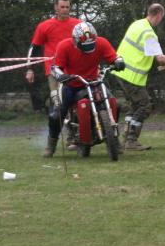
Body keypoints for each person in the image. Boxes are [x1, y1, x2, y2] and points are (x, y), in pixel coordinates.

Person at [113, 3, 165, 151]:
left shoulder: (137, 24)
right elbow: (159, 57)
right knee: (145, 105)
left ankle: (127, 137)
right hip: (131, 76)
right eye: (162, 17)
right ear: (159, 14)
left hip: (121, 72)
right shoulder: (148, 33)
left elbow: (145, 52)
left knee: (135, 105)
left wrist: (163, 63)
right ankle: (131, 140)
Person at [44, 23, 122, 157]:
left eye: (91, 44)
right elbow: (55, 68)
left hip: (94, 82)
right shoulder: (64, 46)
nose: (89, 48)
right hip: (72, 84)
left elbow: (114, 57)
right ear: (75, 40)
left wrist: (119, 62)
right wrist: (61, 75)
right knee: (58, 113)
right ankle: (51, 145)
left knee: (114, 103)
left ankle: (113, 138)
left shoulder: (102, 43)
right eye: (85, 46)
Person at [27, 0, 81, 150]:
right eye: (62, 7)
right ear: (56, 8)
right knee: (59, 103)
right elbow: (34, 48)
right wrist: (29, 69)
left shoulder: (78, 24)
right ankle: (53, 142)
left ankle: (74, 137)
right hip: (54, 71)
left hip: (75, 70)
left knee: (78, 102)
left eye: (67, 7)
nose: (65, 10)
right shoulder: (45, 26)